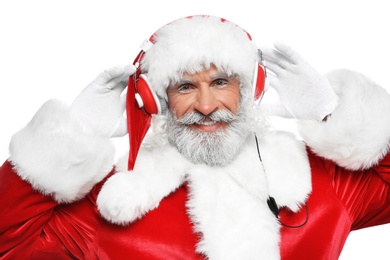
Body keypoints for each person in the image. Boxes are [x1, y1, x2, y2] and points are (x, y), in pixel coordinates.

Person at [0, 14, 389, 260]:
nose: (206, 105)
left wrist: (333, 112)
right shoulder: (108, 204)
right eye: (185, 86)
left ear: (252, 89)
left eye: (221, 82)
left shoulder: (325, 183)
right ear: (155, 101)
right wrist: (73, 136)